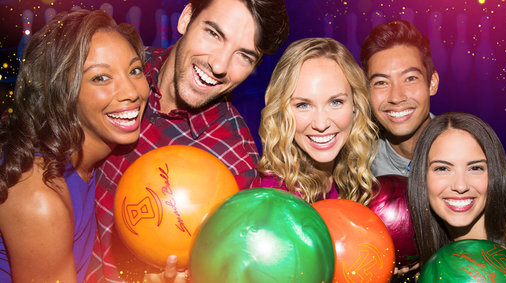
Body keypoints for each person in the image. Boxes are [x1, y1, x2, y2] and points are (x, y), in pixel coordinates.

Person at [87, 0, 290, 281]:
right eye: (214, 34)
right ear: (186, 18)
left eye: (244, 56)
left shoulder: (235, 164)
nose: (219, 65)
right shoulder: (123, 69)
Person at [0, 10, 149, 282]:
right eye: (101, 77)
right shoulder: (40, 198)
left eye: (135, 70)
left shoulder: (88, 159)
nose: (132, 92)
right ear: (61, 92)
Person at [408, 112, 506, 281]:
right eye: (442, 169)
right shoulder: (418, 258)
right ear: (422, 177)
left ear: (494, 174)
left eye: (475, 168)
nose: (461, 186)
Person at [253, 37, 378, 204]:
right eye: (303, 105)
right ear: (282, 111)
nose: (321, 124)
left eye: (335, 102)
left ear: (355, 103)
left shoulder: (350, 175)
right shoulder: (279, 200)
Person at [360, 20, 440, 177]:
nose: (396, 97)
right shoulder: (357, 163)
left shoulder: (467, 154)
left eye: (410, 79)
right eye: (381, 83)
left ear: (432, 83)